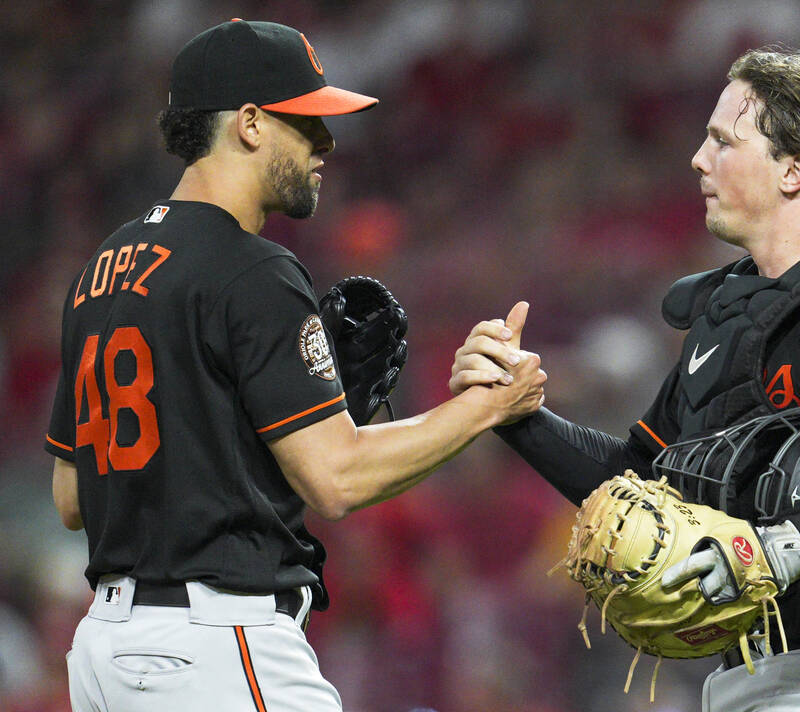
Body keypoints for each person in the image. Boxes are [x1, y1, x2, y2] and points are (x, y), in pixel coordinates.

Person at [451, 46, 800, 711]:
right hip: (745, 677)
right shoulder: (727, 315)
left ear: (796, 168)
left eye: (723, 141)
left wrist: (786, 548)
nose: (698, 158)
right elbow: (642, 482)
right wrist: (516, 415)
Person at [45, 19, 545, 712]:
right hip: (217, 643)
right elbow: (335, 479)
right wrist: (486, 405)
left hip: (105, 652)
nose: (326, 144)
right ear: (249, 123)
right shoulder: (252, 268)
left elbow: (73, 500)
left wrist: (242, 435)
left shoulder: (99, 272)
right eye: (306, 122)